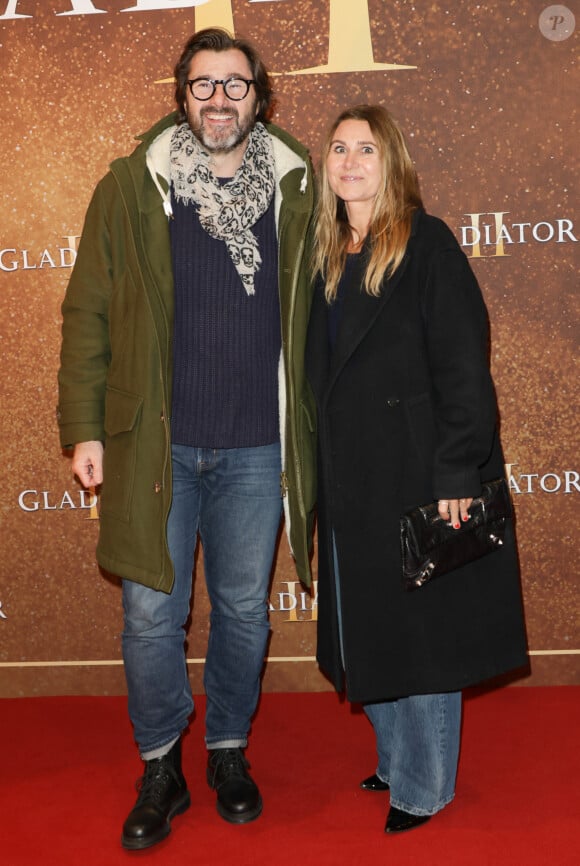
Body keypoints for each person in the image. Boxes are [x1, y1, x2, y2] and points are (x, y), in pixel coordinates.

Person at [57, 28, 316, 850]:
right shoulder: (132, 184)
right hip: (152, 445)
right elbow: (87, 311)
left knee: (243, 611)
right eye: (202, 85)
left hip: (256, 447)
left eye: (234, 85)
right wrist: (84, 427)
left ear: (260, 98)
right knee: (148, 617)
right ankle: (161, 762)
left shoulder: (297, 187)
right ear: (181, 97)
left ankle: (229, 748)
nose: (218, 99)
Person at [306, 105, 528, 834]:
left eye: (365, 149)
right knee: (373, 631)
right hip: (352, 480)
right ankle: (398, 762)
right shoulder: (327, 252)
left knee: (424, 637)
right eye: (338, 148)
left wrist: (457, 473)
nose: (349, 162)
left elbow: (465, 368)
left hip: (416, 474)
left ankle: (425, 787)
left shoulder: (425, 244)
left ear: (391, 162)